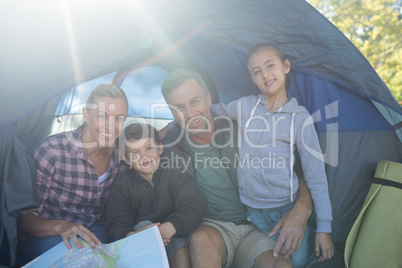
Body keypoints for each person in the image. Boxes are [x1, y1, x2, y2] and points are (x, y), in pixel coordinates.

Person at [160, 69, 313, 268]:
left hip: (259, 224)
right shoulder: (168, 148)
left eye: (195, 102)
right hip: (213, 227)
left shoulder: (243, 125)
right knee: (201, 240)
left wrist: (302, 209)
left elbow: (298, 168)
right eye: (179, 108)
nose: (189, 114)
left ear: (208, 99)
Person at [210, 43, 335, 266]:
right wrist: (175, 123)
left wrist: (324, 228)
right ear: (252, 78)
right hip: (250, 215)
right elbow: (212, 110)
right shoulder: (245, 106)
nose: (265, 74)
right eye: (256, 71)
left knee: (292, 264)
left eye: (270, 66)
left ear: (286, 66)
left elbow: (316, 174)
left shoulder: (299, 118)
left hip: (284, 214)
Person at [18, 84, 129, 262]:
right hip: (51, 235)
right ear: (86, 115)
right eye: (102, 116)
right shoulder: (52, 151)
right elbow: (24, 220)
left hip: (99, 233)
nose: (111, 126)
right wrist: (61, 226)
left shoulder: (124, 155)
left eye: (119, 119)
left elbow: (154, 144)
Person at [106, 123, 206, 268]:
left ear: (160, 148)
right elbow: (116, 226)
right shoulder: (123, 185)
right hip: (140, 238)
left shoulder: (175, 173)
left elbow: (194, 205)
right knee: (142, 229)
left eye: (149, 148)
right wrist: (138, 236)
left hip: (172, 231)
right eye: (135, 153)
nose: (144, 156)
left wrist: (170, 227)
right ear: (127, 160)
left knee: (180, 244)